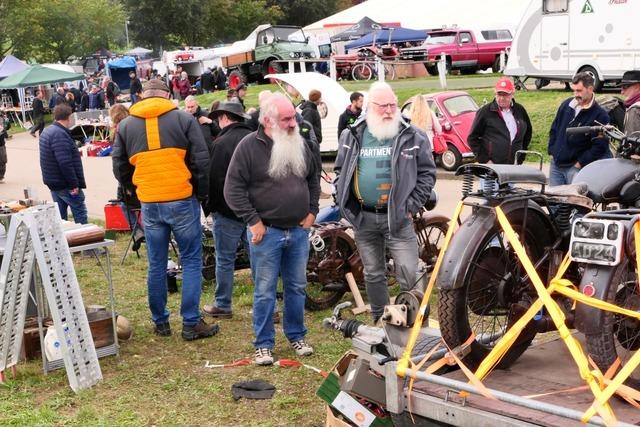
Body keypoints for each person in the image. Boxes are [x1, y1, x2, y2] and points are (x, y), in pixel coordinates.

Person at [112, 79, 217, 341]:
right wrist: (200, 193)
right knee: (191, 260)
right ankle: (191, 322)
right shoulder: (183, 119)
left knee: (156, 264)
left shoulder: (125, 125)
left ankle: (161, 322)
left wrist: (136, 190)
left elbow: (119, 166)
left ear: (142, 96)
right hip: (182, 199)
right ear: (167, 95)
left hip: (150, 202)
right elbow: (201, 160)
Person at [224, 93, 320, 365]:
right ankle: (263, 344)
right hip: (266, 234)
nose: (293, 123)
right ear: (267, 120)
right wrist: (253, 221)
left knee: (297, 287)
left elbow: (312, 178)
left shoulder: (299, 142)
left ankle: (296, 335)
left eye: (293, 117)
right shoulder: (248, 147)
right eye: (286, 119)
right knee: (265, 291)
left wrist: (312, 211)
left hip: (298, 231)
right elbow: (233, 189)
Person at [334, 81, 436, 322]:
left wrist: (411, 206)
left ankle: (412, 324)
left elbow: (427, 173)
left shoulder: (413, 135)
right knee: (372, 273)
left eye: (393, 104)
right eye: (383, 106)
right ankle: (382, 322)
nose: (390, 111)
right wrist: (344, 200)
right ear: (370, 107)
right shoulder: (353, 134)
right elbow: (340, 169)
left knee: (408, 274)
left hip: (399, 219)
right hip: (364, 219)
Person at [203, 102, 252, 318]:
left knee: (224, 259)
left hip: (227, 209)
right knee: (260, 259)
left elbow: (213, 180)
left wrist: (210, 207)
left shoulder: (220, 143)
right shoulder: (255, 138)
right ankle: (270, 307)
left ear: (224, 117)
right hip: (255, 212)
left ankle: (223, 305)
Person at [548, 72, 610, 186]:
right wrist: (552, 150)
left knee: (575, 203)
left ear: (590, 89)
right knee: (553, 202)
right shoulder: (566, 105)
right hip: (556, 166)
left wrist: (580, 163)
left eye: (579, 91)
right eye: (574, 90)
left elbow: (600, 146)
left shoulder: (600, 115)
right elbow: (554, 129)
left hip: (576, 169)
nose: (576, 94)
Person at [39, 104, 88, 224]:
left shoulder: (48, 131)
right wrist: (73, 184)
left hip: (54, 182)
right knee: (80, 213)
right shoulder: (59, 134)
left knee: (60, 219)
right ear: (69, 117)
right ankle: (83, 238)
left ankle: (63, 241)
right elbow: (65, 163)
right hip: (65, 184)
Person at [467, 77, 532, 164]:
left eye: (505, 94)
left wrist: (521, 157)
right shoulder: (485, 111)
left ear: (512, 94)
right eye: (499, 94)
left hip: (514, 166)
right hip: (492, 167)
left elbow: (527, 133)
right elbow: (472, 138)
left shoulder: (520, 110)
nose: (501, 98)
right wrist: (484, 159)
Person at [621, 70, 640, 136]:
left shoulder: (635, 109)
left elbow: (632, 142)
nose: (622, 92)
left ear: (638, 86)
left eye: (625, 87)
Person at [0, 113, 10, 182]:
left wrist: (7, 122)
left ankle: (0, 177)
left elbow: (7, 127)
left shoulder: (1, 117)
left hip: (1, 144)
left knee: (3, 160)